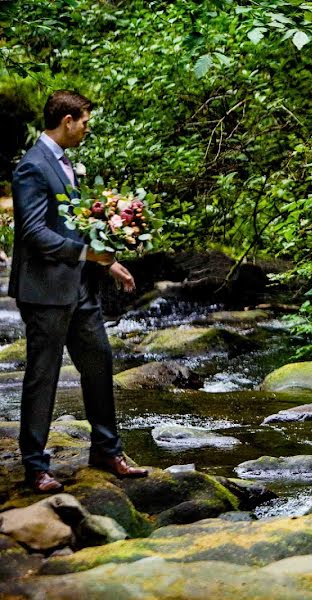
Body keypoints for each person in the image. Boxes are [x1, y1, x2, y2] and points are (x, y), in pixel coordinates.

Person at [9, 90, 148, 493]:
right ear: (67, 121)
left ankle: (106, 450)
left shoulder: (66, 163)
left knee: (99, 363)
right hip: (45, 291)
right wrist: (88, 252)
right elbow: (34, 233)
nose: (87, 127)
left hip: (80, 289)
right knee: (43, 377)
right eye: (85, 120)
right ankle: (35, 466)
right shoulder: (31, 167)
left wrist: (110, 262)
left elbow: (75, 225)